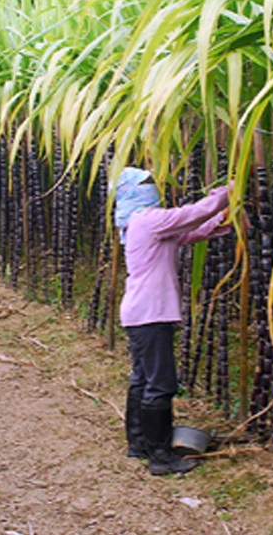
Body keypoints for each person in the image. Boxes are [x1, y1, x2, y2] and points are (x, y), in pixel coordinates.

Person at [113, 166, 233, 476]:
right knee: (160, 384)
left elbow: (192, 231)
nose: (155, 188)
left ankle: (138, 444)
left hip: (143, 313)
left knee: (142, 379)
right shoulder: (147, 220)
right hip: (150, 313)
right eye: (149, 183)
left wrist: (223, 216)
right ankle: (161, 458)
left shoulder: (142, 224)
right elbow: (193, 214)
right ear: (136, 190)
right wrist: (229, 190)